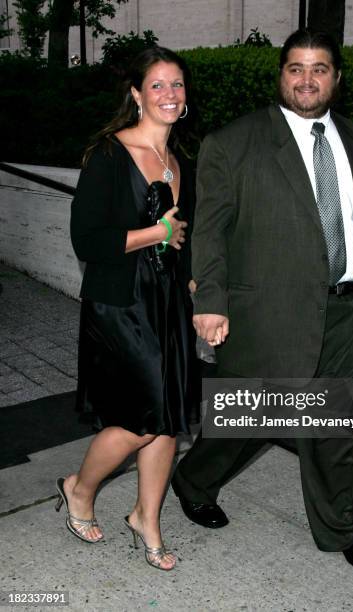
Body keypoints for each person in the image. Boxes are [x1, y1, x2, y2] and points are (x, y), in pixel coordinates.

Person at [172, 29, 353, 572]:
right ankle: (194, 478)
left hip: (349, 311)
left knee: (339, 430)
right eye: (295, 68)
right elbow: (211, 230)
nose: (306, 79)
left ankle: (344, 527)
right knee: (250, 419)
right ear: (281, 74)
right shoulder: (234, 142)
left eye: (319, 68)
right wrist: (210, 299)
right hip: (272, 314)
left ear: (336, 78)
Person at [57, 46, 195, 571]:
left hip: (168, 304)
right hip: (121, 304)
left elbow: (184, 240)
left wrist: (195, 284)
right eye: (157, 85)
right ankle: (79, 486)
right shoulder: (109, 157)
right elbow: (87, 241)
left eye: (177, 85)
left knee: (167, 420)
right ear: (136, 94)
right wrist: (155, 232)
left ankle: (147, 518)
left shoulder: (181, 161)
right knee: (140, 420)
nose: (168, 95)